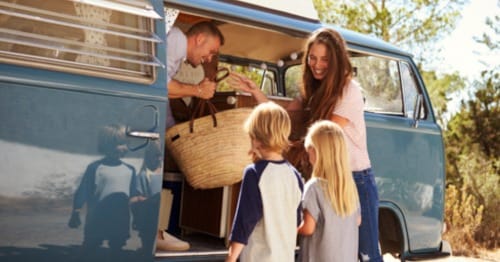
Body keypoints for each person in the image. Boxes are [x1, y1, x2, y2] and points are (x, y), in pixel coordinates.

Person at [229, 27, 383, 261]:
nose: (317, 64)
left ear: (337, 60)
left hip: (353, 179)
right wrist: (257, 94)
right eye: (312, 58)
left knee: (366, 254)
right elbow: (283, 118)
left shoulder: (349, 91)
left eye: (324, 59)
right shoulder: (312, 91)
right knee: (324, 249)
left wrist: (285, 145)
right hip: (325, 179)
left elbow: (324, 136)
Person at [226, 101, 304, 262]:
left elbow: (245, 221)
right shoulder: (294, 175)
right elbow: (296, 222)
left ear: (256, 137)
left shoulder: (254, 173)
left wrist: (231, 257)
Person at [68, 124, 138, 260]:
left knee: (117, 248)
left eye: (126, 143)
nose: (125, 147)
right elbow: (83, 190)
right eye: (120, 144)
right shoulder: (95, 168)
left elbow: (132, 196)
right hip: (97, 218)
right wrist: (76, 212)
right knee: (90, 246)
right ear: (106, 145)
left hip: (120, 219)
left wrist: (137, 216)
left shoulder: (130, 170)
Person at [298, 120, 361, 262]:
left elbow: (308, 228)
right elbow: (357, 220)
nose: (308, 157)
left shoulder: (314, 187)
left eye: (310, 150)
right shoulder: (349, 187)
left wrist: (288, 228)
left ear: (318, 152)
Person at [166, 20, 225, 129]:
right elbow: (159, 85)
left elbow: (163, 92)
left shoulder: (178, 51)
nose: (209, 59)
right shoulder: (176, 41)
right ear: (200, 39)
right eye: (211, 52)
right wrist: (198, 90)